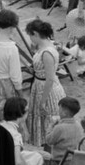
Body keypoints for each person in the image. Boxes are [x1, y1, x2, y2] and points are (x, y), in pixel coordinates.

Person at [24, 18, 65, 146]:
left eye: (30, 35)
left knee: (47, 123)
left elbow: (50, 78)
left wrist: (43, 100)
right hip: (40, 85)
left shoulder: (47, 52)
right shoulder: (46, 45)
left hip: (46, 89)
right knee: (44, 123)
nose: (30, 39)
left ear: (35, 34)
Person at [0, 97, 47, 165]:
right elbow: (17, 162)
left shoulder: (0, 125)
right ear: (21, 113)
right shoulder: (14, 134)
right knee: (38, 158)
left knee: (36, 155)